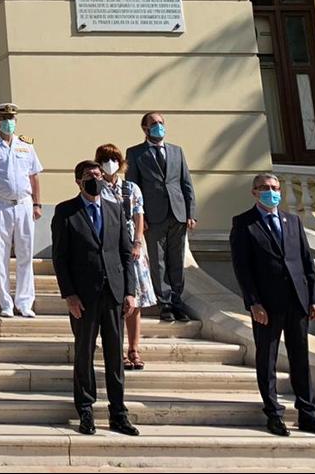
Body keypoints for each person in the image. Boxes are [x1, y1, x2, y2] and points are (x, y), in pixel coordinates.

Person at [230, 173, 315, 437]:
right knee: (268, 360)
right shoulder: (244, 223)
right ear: (254, 192)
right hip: (266, 306)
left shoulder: (293, 221)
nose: (271, 192)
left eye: (274, 188)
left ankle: (308, 414)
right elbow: (243, 268)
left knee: (301, 359)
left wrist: (314, 299)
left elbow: (307, 263)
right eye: (264, 188)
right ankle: (274, 413)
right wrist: (253, 303)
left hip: (298, 302)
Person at [52, 161, 138, 437]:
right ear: (78, 181)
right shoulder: (66, 211)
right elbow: (60, 258)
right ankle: (86, 410)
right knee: (85, 353)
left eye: (99, 175)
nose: (95, 179)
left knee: (115, 355)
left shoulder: (115, 209)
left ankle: (118, 413)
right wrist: (69, 295)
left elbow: (126, 254)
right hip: (84, 297)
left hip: (113, 293)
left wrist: (130, 291)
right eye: (89, 176)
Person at [126, 112, 197, 323]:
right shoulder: (136, 153)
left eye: (161, 123)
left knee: (176, 260)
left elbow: (186, 183)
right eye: (154, 123)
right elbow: (133, 187)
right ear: (145, 129)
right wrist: (139, 216)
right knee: (158, 261)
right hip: (153, 215)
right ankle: (164, 302)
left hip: (178, 213)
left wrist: (191, 213)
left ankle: (177, 300)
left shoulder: (176, 151)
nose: (158, 126)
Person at [0, 102, 42, 318]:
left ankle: (24, 302)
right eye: (4, 119)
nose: (8, 123)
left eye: (11, 119)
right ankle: (5, 302)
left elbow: (34, 176)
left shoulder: (27, 145)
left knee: (25, 254)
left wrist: (37, 204)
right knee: (1, 254)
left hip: (23, 203)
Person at [96, 143, 155, 371]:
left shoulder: (131, 188)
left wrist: (138, 243)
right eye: (104, 158)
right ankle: (116, 349)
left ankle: (134, 348)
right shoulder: (98, 188)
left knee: (134, 299)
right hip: (109, 244)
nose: (109, 163)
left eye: (113, 158)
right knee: (113, 300)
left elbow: (139, 217)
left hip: (131, 243)